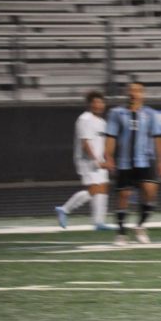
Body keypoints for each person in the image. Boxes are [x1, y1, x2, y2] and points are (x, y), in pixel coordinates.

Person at [103, 81, 161, 245]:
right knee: (124, 195)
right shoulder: (116, 113)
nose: (134, 93)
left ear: (143, 94)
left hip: (146, 159)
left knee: (150, 191)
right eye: (131, 90)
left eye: (138, 90)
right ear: (127, 92)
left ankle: (140, 226)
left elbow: (158, 137)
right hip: (125, 160)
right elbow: (111, 137)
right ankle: (121, 232)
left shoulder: (151, 114)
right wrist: (108, 156)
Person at [54, 90, 112, 230]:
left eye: (101, 102)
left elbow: (103, 143)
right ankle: (65, 209)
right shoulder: (85, 119)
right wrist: (96, 160)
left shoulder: (102, 122)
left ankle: (98, 222)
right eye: (95, 102)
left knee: (103, 187)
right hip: (86, 161)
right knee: (94, 189)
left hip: (99, 159)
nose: (99, 105)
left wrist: (106, 159)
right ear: (90, 104)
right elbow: (85, 143)